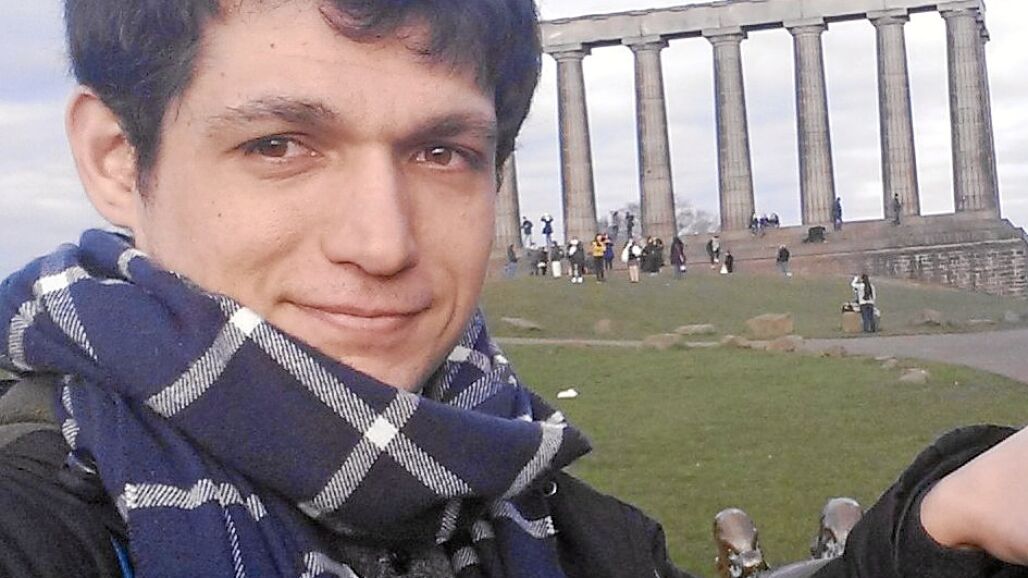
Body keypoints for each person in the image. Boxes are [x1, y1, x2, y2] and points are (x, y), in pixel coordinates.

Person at [1, 2, 1028, 577]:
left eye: (442, 151)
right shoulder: (41, 525)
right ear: (117, 159)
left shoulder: (568, 524)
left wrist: (939, 523)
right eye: (279, 143)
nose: (381, 242)